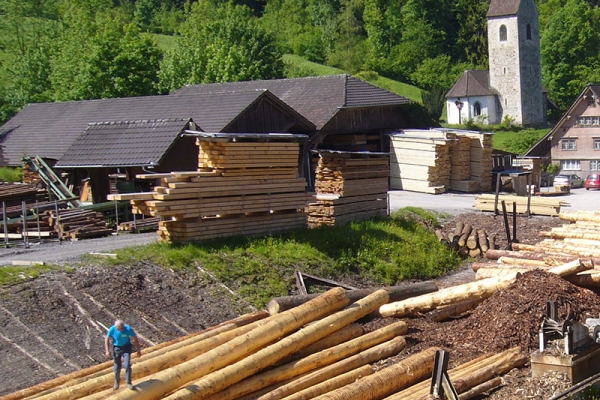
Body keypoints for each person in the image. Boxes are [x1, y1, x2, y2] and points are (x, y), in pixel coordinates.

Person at [104, 319, 142, 390]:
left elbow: (135, 338)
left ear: (123, 326)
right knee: (117, 366)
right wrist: (107, 350)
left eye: (122, 328)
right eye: (119, 329)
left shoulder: (128, 329)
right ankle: (117, 381)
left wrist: (138, 349)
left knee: (127, 365)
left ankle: (128, 382)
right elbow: (107, 339)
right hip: (117, 348)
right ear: (116, 327)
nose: (121, 330)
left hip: (126, 348)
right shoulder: (112, 329)